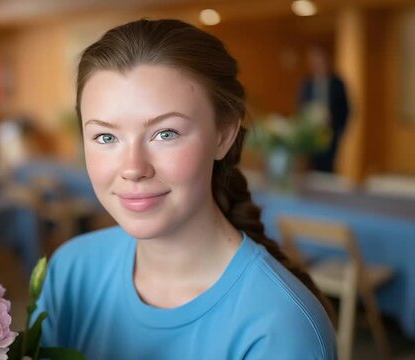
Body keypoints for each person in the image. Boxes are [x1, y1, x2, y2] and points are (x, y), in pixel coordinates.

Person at [35, 19, 337, 359]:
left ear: (223, 135)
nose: (133, 168)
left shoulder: (281, 327)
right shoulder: (71, 270)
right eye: (106, 137)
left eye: (166, 134)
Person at [299, 46, 350, 173]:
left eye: (318, 59)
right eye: (313, 60)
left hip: (330, 132)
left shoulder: (337, 83)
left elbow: (346, 109)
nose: (316, 63)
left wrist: (339, 129)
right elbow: (301, 106)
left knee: (328, 167)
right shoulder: (307, 83)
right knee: (311, 167)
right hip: (311, 133)